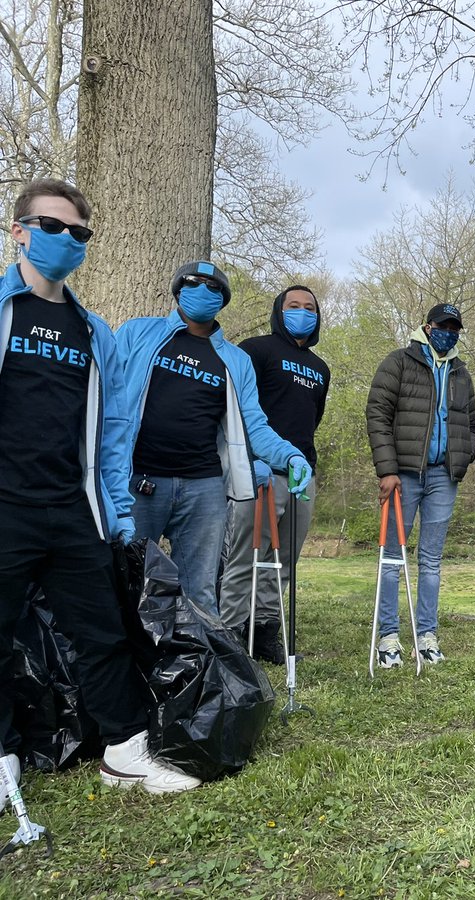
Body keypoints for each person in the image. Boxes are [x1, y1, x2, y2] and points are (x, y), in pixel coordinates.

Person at [0, 178, 199, 794]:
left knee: (103, 633)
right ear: (20, 232)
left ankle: (124, 749)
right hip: (5, 508)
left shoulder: (94, 332)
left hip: (73, 510)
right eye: (53, 227)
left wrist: (115, 514)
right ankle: (4, 759)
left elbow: (113, 435)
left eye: (79, 233)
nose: (66, 240)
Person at [116, 261, 312, 616]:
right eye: (194, 283)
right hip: (138, 481)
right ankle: (126, 668)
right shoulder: (137, 334)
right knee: (125, 580)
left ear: (223, 300)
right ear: (178, 289)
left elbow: (255, 425)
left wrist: (291, 456)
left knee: (200, 594)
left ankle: (198, 670)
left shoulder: (235, 360)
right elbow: (108, 399)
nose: (203, 291)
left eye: (214, 287)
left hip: (204, 489)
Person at [220, 285, 331, 663]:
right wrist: (249, 460)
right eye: (294, 306)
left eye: (310, 308)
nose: (302, 312)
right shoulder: (256, 350)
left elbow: (312, 419)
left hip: (301, 476)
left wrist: (305, 464)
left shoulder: (320, 368)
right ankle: (229, 635)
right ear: (278, 311)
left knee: (284, 563)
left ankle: (264, 630)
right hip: (258, 472)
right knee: (244, 558)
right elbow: (237, 410)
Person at [366, 303, 475, 668]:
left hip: (443, 478)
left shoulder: (461, 372)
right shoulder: (399, 362)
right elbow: (377, 414)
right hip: (403, 475)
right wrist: (387, 470)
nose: (449, 332)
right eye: (443, 326)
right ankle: (388, 637)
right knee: (392, 558)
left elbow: (471, 422)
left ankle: (426, 635)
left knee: (431, 560)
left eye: (454, 327)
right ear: (428, 328)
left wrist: (463, 456)